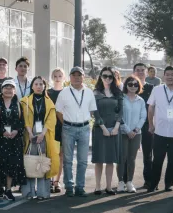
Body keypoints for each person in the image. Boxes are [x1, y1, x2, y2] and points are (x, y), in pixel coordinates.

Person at [54, 66, 98, 197]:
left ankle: (80, 187)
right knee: (67, 160)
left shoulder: (89, 92)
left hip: (84, 128)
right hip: (68, 128)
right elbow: (58, 111)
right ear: (70, 77)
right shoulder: (64, 92)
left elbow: (92, 111)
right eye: (74, 75)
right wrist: (66, 123)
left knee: (83, 160)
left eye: (79, 75)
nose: (77, 77)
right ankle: (69, 187)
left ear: (83, 77)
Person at [21, 77, 58, 200]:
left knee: (43, 162)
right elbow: (24, 119)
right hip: (29, 134)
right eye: (36, 84)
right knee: (29, 162)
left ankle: (43, 193)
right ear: (32, 86)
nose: (38, 86)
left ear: (44, 86)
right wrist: (30, 133)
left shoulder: (49, 102)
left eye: (41, 84)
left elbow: (51, 120)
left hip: (44, 134)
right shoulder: (25, 101)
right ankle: (28, 192)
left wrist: (42, 134)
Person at [0, 79, 27, 201]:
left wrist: (16, 131)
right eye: (6, 87)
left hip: (14, 140)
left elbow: (22, 121)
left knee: (12, 164)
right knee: (0, 163)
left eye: (11, 88)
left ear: (15, 90)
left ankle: (8, 189)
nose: (8, 90)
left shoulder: (18, 104)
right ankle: (1, 189)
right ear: (1, 90)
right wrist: (2, 131)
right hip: (0, 138)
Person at [91, 67, 122, 195]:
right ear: (101, 77)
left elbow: (121, 111)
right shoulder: (96, 93)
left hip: (114, 129)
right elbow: (95, 112)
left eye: (110, 76)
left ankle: (109, 187)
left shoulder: (118, 92)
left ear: (113, 78)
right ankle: (98, 187)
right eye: (105, 76)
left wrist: (116, 127)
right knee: (99, 159)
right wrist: (103, 128)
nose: (107, 78)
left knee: (110, 159)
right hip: (100, 129)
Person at [118, 76, 147, 193]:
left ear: (138, 86)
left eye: (135, 85)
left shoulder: (141, 100)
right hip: (123, 132)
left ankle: (129, 182)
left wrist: (135, 130)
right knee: (122, 158)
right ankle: (121, 182)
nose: (133, 86)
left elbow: (143, 117)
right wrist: (127, 130)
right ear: (126, 85)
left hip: (136, 134)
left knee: (132, 158)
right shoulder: (121, 98)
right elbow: (119, 116)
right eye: (130, 84)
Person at [130, 62, 155, 189]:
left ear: (146, 72)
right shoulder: (129, 87)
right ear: (134, 72)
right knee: (129, 155)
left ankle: (149, 181)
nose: (140, 72)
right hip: (131, 126)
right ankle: (127, 181)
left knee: (148, 155)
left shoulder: (152, 88)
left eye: (142, 70)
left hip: (147, 125)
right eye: (137, 70)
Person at [47, 68, 66, 195]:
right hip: (50, 126)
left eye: (60, 76)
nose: (57, 78)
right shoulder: (48, 92)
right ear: (52, 77)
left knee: (60, 155)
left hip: (63, 126)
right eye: (55, 76)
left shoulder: (67, 92)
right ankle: (49, 180)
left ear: (64, 78)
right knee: (50, 154)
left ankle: (57, 181)